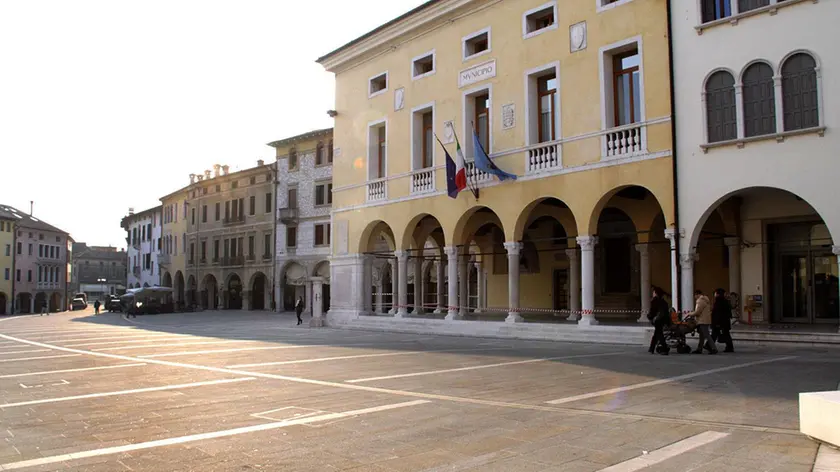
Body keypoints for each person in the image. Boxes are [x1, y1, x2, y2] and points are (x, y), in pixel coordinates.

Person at [687, 290, 717, 354]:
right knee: (702, 335)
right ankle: (699, 348)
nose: (694, 297)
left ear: (697, 294)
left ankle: (714, 348)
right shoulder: (705, 300)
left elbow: (698, 312)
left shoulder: (700, 301)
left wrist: (690, 314)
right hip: (705, 320)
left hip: (702, 320)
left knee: (706, 335)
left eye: (695, 295)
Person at [647, 286, 671, 355]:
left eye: (653, 292)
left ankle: (664, 348)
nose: (652, 293)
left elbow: (653, 311)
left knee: (659, 334)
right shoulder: (663, 301)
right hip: (663, 320)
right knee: (657, 333)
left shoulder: (655, 301)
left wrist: (650, 316)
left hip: (658, 320)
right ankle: (651, 348)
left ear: (656, 293)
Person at [711, 288, 735, 353]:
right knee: (726, 334)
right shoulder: (725, 301)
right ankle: (730, 347)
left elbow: (718, 313)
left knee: (714, 334)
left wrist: (717, 322)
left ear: (718, 294)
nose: (714, 294)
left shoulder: (719, 302)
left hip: (719, 322)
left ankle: (709, 345)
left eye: (715, 293)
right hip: (724, 322)